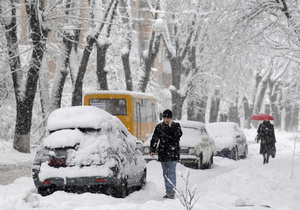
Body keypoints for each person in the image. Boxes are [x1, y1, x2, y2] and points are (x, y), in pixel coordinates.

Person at [150, 109, 182, 199]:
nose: (166, 120)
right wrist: (153, 149)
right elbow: (155, 138)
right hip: (163, 153)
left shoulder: (176, 126)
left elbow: (178, 135)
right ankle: (168, 190)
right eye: (164, 118)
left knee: (171, 172)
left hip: (173, 153)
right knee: (165, 173)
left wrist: (171, 127)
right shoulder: (159, 127)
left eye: (168, 118)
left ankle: (171, 191)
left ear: (171, 118)